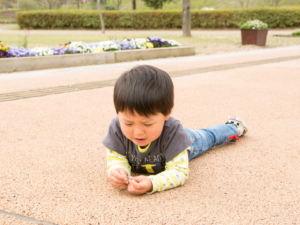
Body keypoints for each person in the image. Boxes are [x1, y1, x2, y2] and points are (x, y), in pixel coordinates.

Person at [102, 65, 248, 195]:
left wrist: (152, 183)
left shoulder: (174, 133)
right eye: (128, 123)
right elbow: (117, 159)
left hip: (187, 142)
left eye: (147, 124)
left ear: (167, 114)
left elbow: (179, 172)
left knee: (209, 137)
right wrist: (117, 172)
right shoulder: (116, 128)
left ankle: (233, 126)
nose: (138, 132)